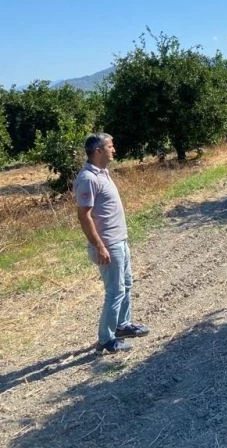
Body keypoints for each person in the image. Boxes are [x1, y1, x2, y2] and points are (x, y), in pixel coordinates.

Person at [75, 133, 149, 354]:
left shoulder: (103, 173)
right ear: (98, 151)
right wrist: (99, 246)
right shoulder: (88, 178)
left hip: (120, 240)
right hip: (108, 244)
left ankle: (122, 325)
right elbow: (84, 216)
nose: (114, 150)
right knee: (114, 291)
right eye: (110, 146)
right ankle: (106, 340)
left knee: (126, 284)